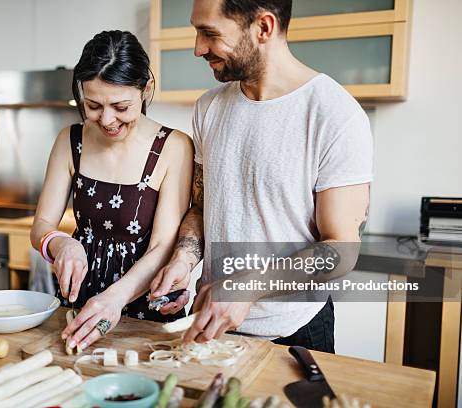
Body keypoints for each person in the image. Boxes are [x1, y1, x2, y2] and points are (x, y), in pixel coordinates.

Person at [150, 0, 372, 353]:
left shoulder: (334, 114)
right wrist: (183, 259)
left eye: (210, 33)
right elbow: (203, 206)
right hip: (214, 321)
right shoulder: (209, 107)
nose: (198, 48)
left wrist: (245, 287)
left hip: (295, 331)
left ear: (264, 28)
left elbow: (342, 248)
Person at [31, 30, 193, 350]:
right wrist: (61, 245)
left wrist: (115, 299)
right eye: (93, 105)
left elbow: (163, 245)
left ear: (145, 89)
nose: (106, 120)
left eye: (121, 106)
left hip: (145, 309)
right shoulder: (70, 140)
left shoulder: (173, 146)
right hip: (78, 307)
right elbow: (41, 227)